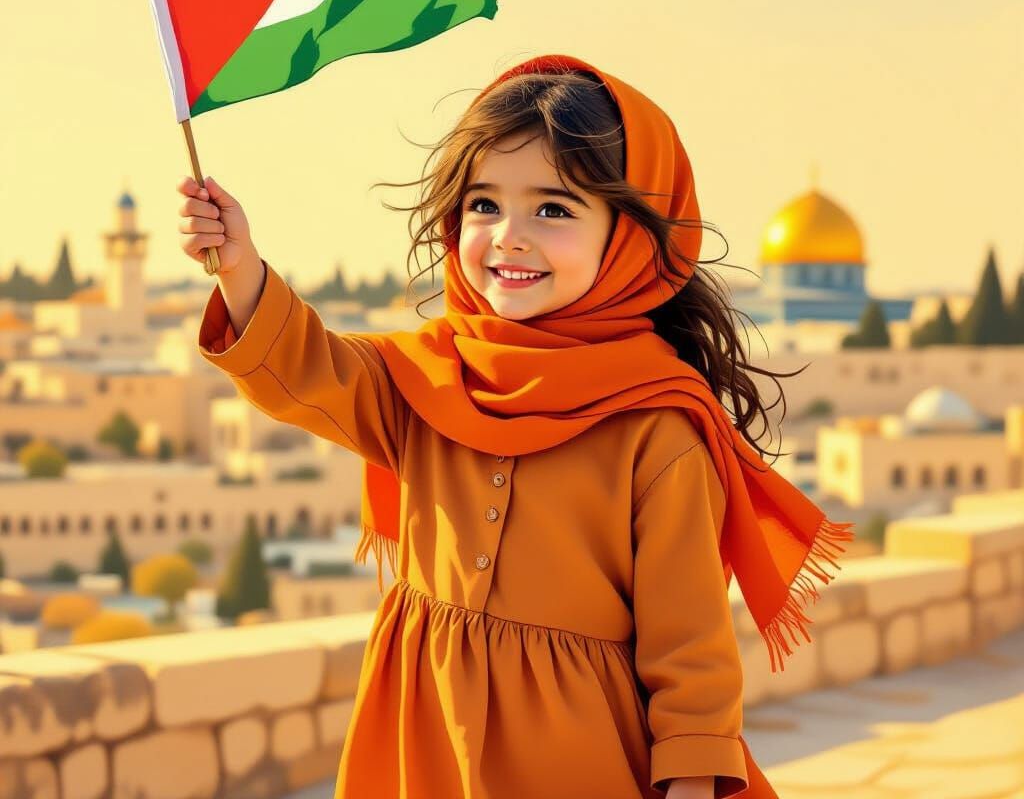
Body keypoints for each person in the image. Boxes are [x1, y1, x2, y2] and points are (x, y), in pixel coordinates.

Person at [178, 54, 854, 799]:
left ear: (627, 239)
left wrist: (692, 784)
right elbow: (311, 373)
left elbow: (690, 649)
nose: (509, 237)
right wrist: (239, 270)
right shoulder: (430, 380)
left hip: (578, 755)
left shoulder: (656, 427)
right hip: (423, 734)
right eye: (484, 205)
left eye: (554, 209)